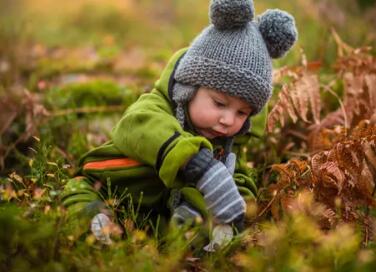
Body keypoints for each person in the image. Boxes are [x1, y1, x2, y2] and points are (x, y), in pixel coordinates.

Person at [61, 0, 297, 245]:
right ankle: (94, 221)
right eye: (219, 103)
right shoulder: (156, 107)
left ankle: (193, 235)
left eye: (242, 113)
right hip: (105, 184)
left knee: (203, 219)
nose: (228, 120)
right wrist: (194, 161)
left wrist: (237, 207)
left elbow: (237, 176)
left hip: (155, 213)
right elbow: (137, 125)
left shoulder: (225, 144)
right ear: (188, 88)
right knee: (80, 194)